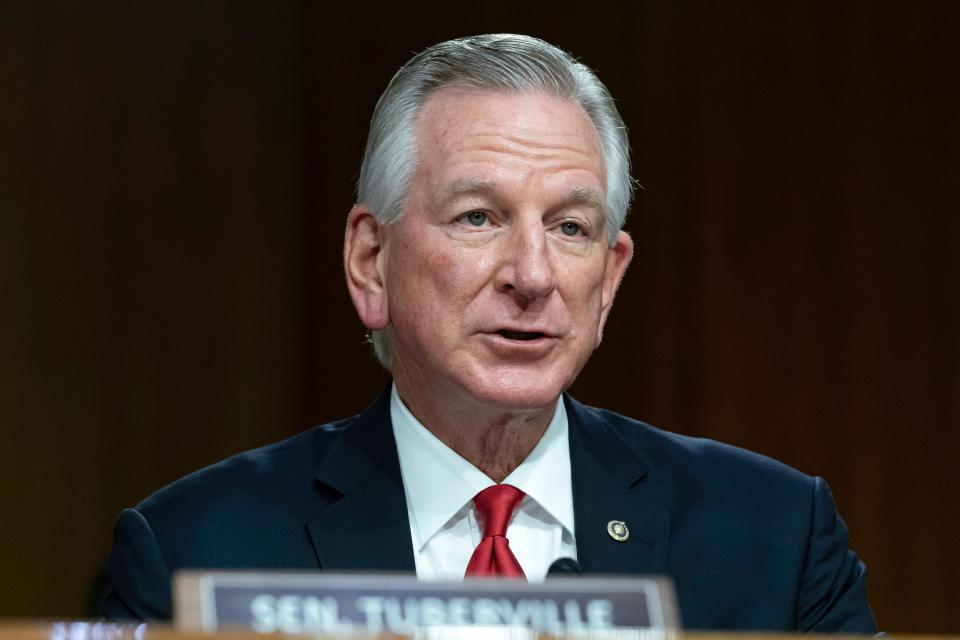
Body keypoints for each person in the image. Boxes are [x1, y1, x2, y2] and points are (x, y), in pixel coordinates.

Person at [100, 34, 877, 632]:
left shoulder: (773, 538)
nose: (532, 275)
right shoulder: (195, 552)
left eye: (570, 228)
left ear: (607, 280)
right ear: (371, 261)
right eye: (479, 217)